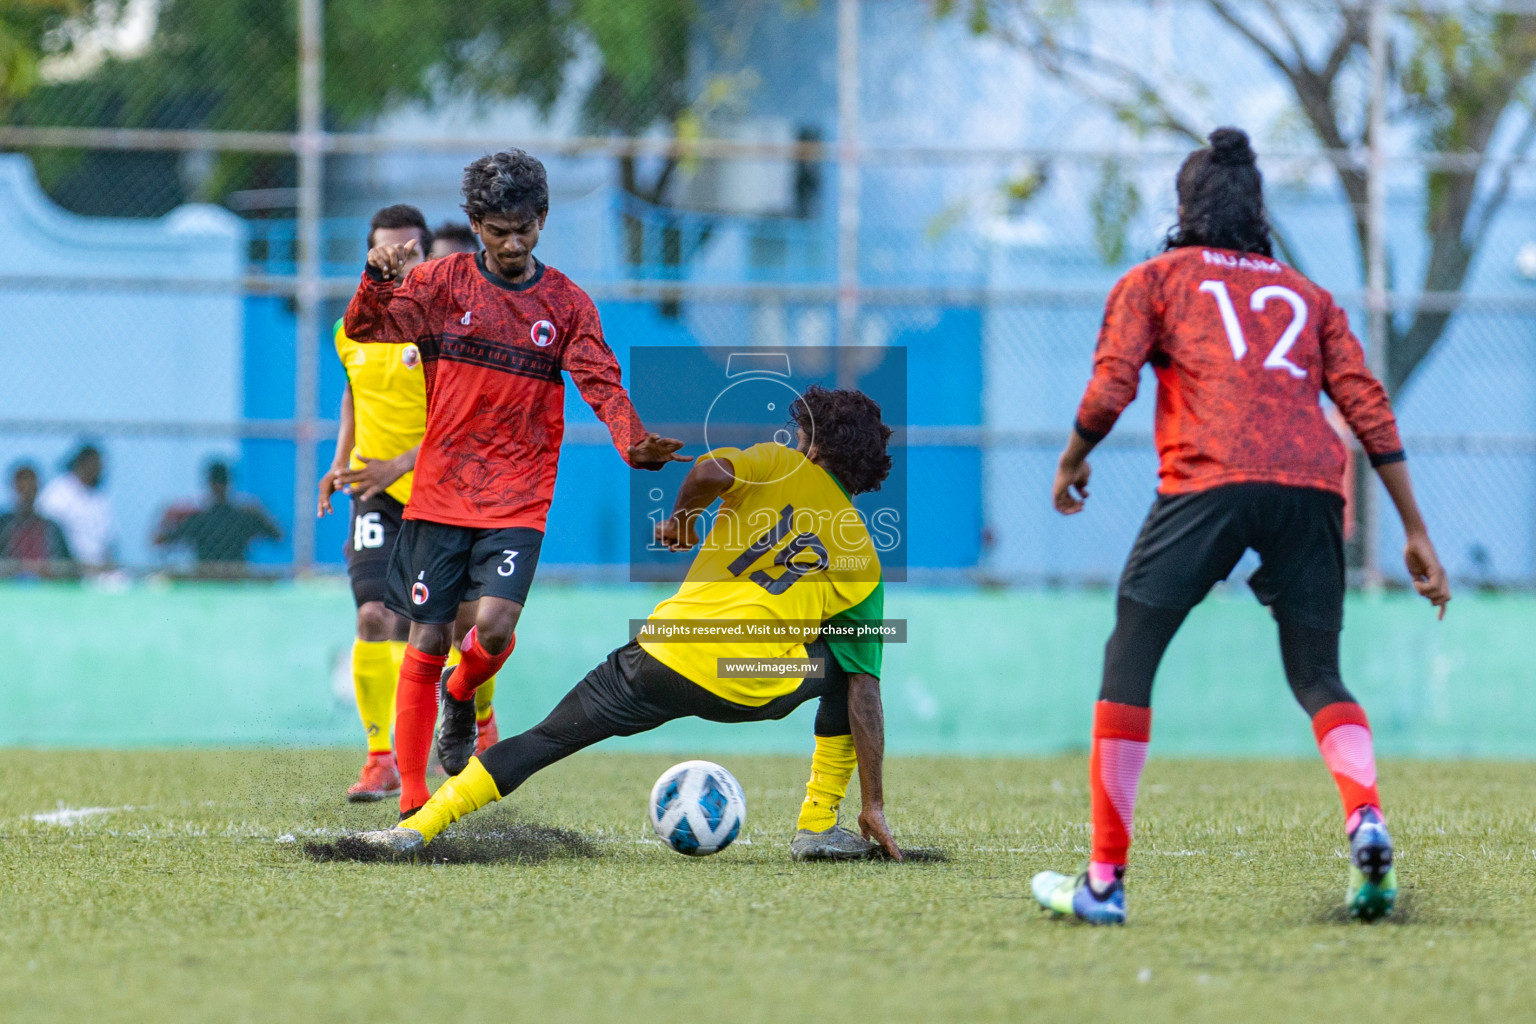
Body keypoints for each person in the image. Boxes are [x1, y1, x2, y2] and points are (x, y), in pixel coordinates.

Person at [1030, 128, 1451, 926]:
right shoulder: (1310, 297)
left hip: (1210, 476)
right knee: (1318, 674)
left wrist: (1073, 457)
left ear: (1185, 205)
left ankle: (1104, 884)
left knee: (1131, 654)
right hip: (1313, 487)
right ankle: (1366, 817)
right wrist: (1414, 528)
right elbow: (1366, 405)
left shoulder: (1156, 280)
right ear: (1257, 211)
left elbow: (1113, 382)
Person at [351, 385, 903, 864]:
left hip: (664, 656)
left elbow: (710, 470)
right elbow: (867, 692)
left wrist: (683, 522)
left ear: (813, 441)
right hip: (750, 680)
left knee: (543, 740)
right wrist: (872, 804)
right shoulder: (864, 557)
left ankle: (415, 829)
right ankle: (816, 823)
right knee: (847, 668)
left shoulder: (776, 463)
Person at [343, 148, 689, 818]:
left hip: (519, 495)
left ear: (543, 220)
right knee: (428, 636)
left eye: (524, 228)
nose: (512, 242)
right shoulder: (441, 284)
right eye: (498, 229)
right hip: (441, 493)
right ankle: (414, 800)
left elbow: (601, 381)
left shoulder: (563, 303)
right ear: (475, 223)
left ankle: (463, 692)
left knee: (495, 628)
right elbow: (366, 326)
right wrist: (375, 280)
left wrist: (631, 443)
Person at [318, 204, 433, 803]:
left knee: (446, 627)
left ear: (425, 253)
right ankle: (379, 758)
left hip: (437, 495)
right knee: (371, 618)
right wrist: (341, 462)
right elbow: (353, 398)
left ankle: (474, 727)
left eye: (407, 250)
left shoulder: (440, 331)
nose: (395, 260)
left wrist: (403, 463)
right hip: (374, 494)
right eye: (384, 251)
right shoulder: (351, 329)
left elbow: (458, 420)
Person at [155, 461, 282, 575]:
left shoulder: (199, 518)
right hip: (236, 577)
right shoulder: (244, 516)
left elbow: (160, 540)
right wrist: (260, 512)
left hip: (205, 577)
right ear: (229, 483)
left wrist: (168, 517)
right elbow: (278, 535)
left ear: (209, 484)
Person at [38, 443, 113, 571]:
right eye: (96, 464)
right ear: (82, 463)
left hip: (99, 568)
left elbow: (108, 541)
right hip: (68, 567)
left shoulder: (98, 498)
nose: (100, 469)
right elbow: (46, 532)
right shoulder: (59, 491)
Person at [0, 463, 73, 575]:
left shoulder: (52, 528)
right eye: (22, 487)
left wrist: (49, 570)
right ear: (14, 487)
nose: (27, 492)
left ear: (38, 488)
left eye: (31, 486)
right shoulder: (3, 525)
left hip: (47, 588)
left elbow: (67, 566)